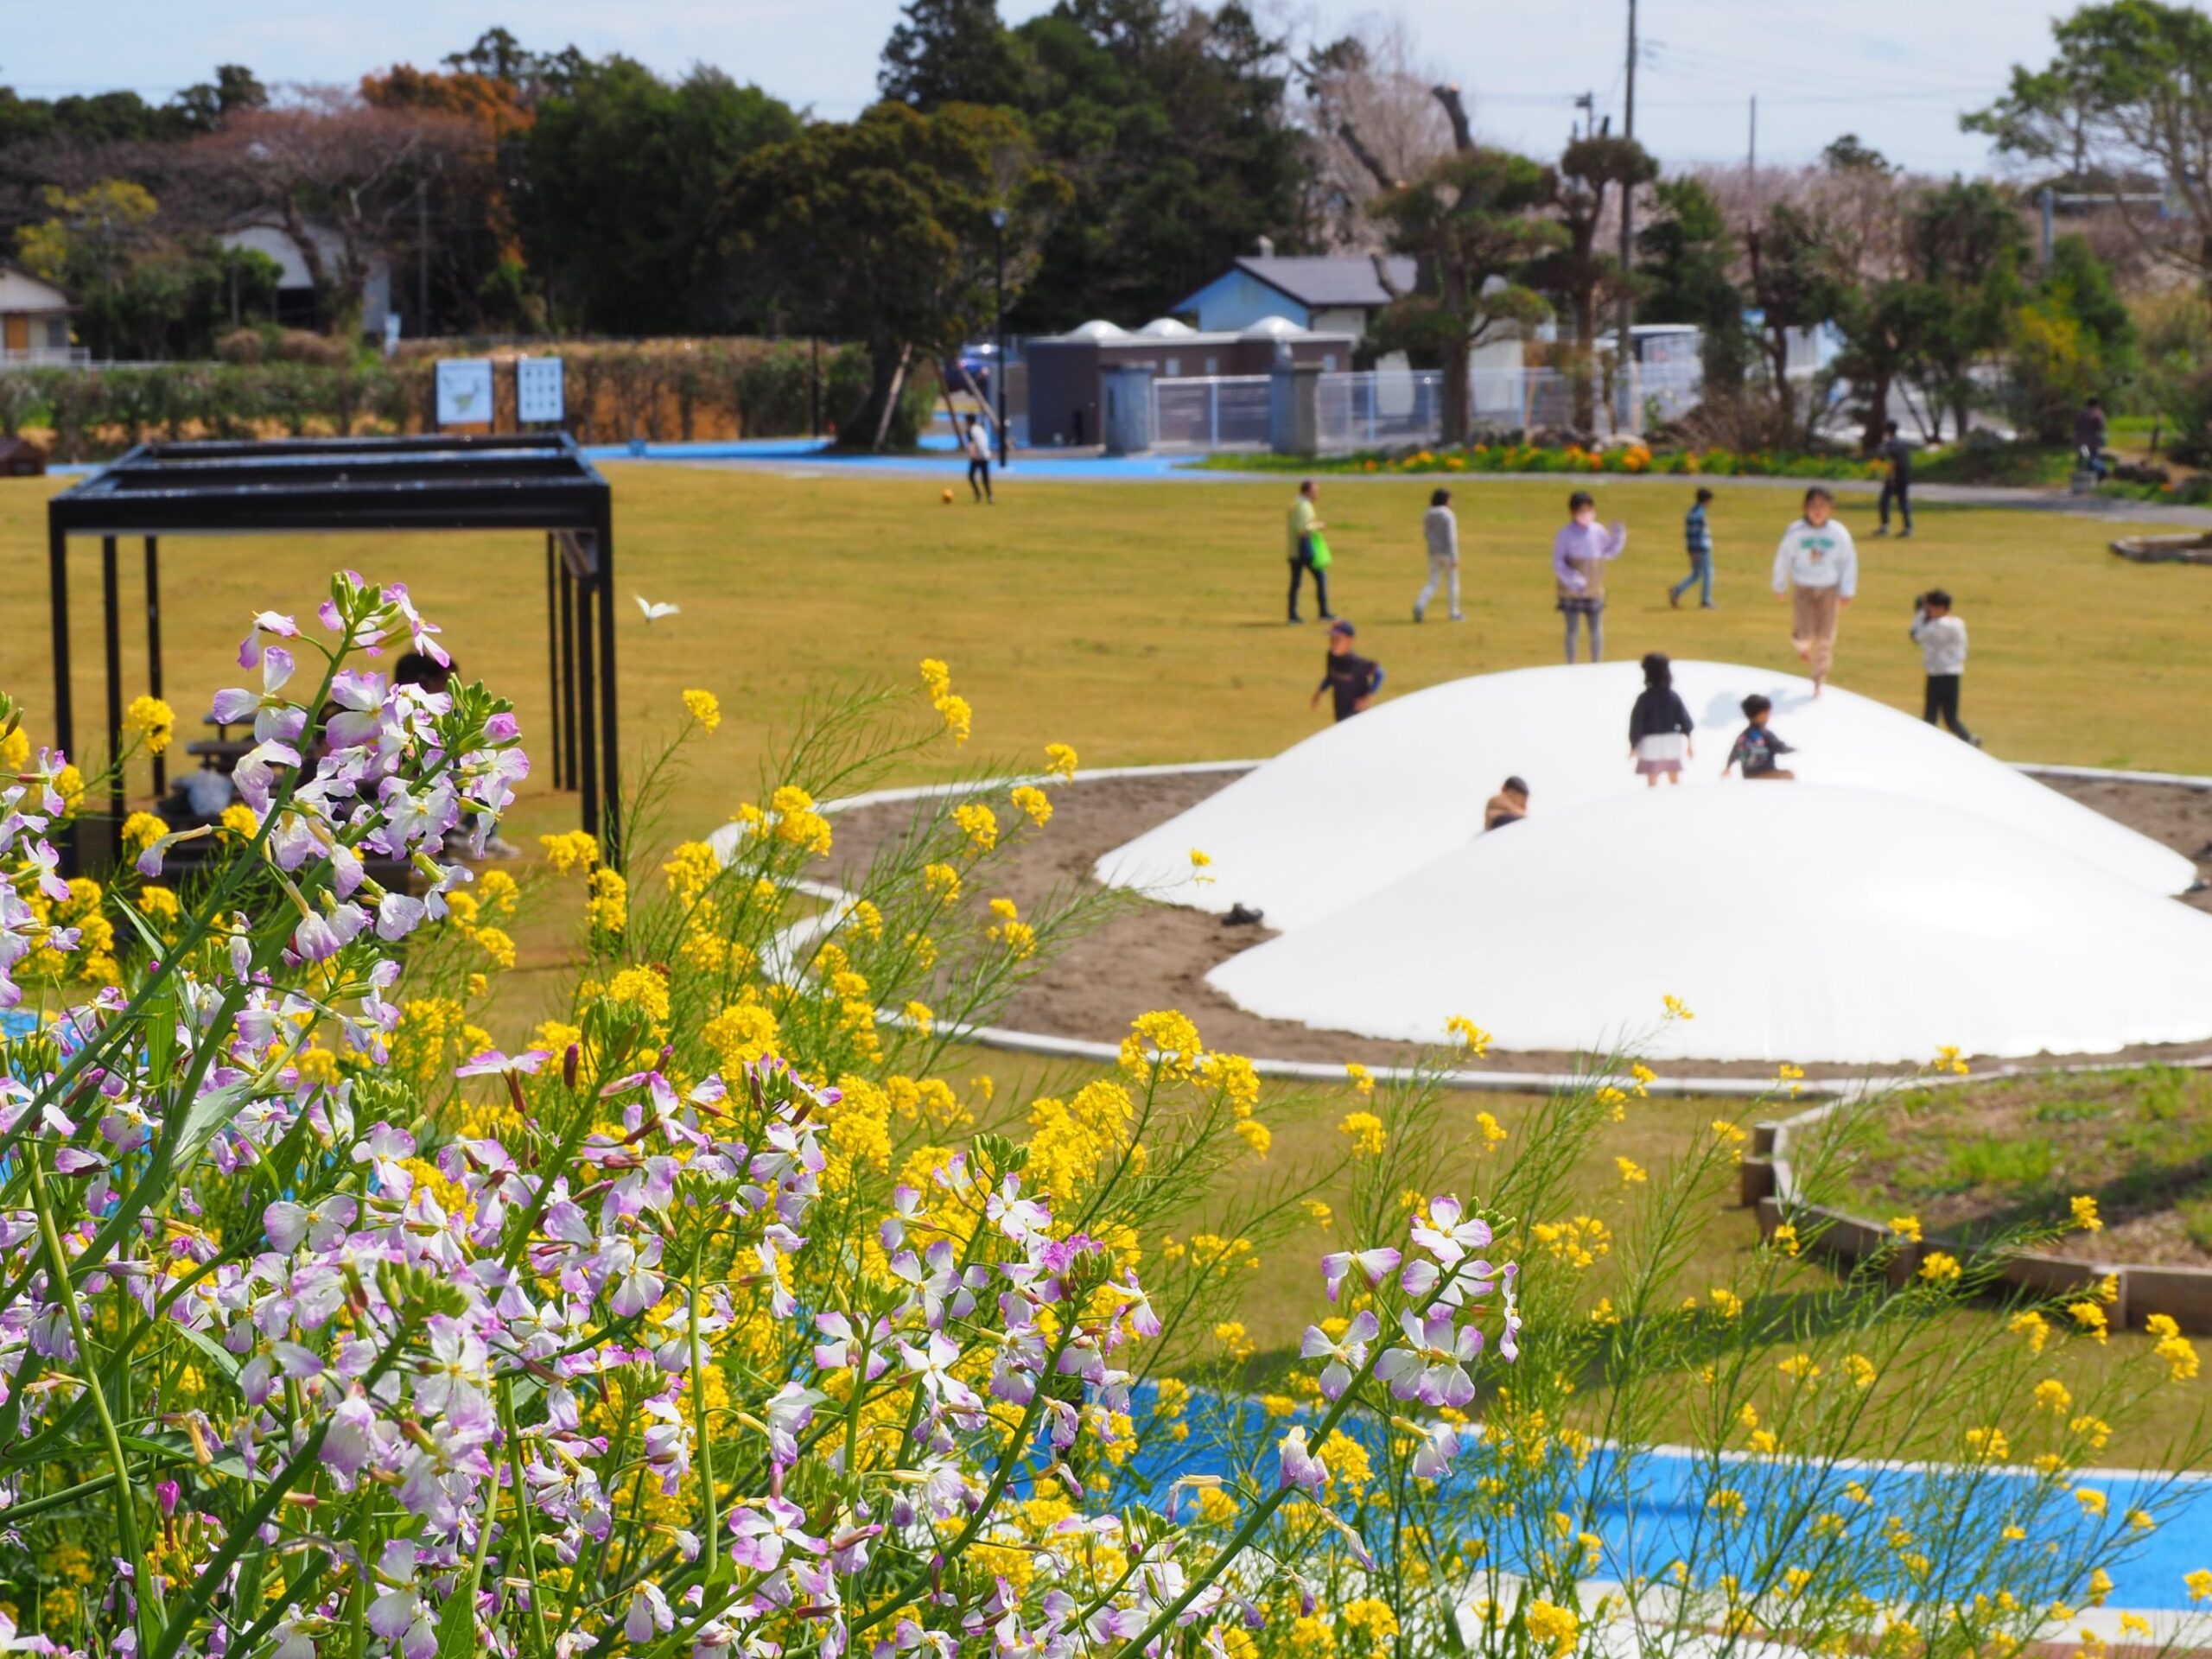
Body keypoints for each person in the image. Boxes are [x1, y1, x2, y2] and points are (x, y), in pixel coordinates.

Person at [1770, 486, 1858, 696]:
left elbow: (1849, 561)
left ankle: (1819, 678)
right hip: (1804, 587)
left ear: (1830, 508)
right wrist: (1779, 585)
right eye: (1813, 506)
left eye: (1822, 506)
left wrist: (1847, 590)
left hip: (1829, 588)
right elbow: (1783, 559)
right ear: (1805, 507)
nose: (1817, 510)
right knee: (1806, 633)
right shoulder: (1796, 531)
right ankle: (1802, 646)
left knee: (1826, 636)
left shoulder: (1838, 533)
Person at [1553, 490, 1626, 663]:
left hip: (1594, 588)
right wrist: (1574, 579)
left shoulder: (1598, 530)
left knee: (1596, 630)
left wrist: (1618, 537)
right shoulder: (1565, 534)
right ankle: (1571, 663)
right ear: (1572, 512)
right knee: (1573, 630)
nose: (1586, 514)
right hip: (1572, 591)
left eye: (1589, 509)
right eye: (1581, 510)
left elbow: (1609, 552)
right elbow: (1558, 562)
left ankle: (1596, 663)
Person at [1910, 588, 1978, 746]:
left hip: (1938, 676)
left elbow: (1916, 635)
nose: (1928, 611)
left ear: (1940, 608)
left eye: (1930, 608)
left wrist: (1919, 614)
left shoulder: (1939, 626)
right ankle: (1969, 740)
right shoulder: (1957, 623)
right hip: (1953, 674)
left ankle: (1930, 746)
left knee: (1930, 718)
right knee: (1951, 718)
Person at [1627, 652, 1695, 787]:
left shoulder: (1644, 698)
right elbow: (1685, 720)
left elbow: (1637, 723)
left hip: (1650, 743)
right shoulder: (1673, 696)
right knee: (1674, 779)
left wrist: (1633, 745)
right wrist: (1689, 742)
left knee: (1652, 781)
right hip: (1672, 741)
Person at [1311, 620, 1382, 721]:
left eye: (1337, 639)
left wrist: (1368, 697)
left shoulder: (1356, 663)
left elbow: (1380, 674)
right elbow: (1331, 676)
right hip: (1340, 710)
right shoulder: (1331, 656)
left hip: (1357, 714)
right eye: (1331, 639)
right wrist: (1320, 691)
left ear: (1350, 640)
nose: (1333, 643)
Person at [1287, 480, 1333, 623]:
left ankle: (1293, 615)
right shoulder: (1303, 506)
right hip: (1303, 551)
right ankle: (1323, 613)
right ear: (1307, 492)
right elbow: (1303, 529)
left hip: (1294, 550)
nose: (1317, 495)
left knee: (1296, 583)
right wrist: (1319, 525)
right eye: (1315, 492)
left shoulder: (1297, 504)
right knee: (1320, 577)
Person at [1414, 487, 1462, 622]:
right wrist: (1455, 557)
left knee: (1433, 582)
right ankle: (1454, 612)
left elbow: (1426, 533)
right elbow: (1451, 538)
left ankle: (1420, 604)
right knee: (1452, 582)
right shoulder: (1448, 515)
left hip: (1433, 552)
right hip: (1447, 553)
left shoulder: (1428, 514)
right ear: (1446, 500)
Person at [1723, 694, 1796, 780]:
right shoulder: (1765, 734)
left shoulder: (1743, 735)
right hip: (1767, 775)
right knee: (1789, 775)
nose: (1769, 716)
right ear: (1761, 714)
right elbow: (1779, 747)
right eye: (1767, 712)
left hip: (1748, 776)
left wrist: (1728, 767)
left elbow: (1734, 752)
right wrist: (1790, 749)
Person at [1670, 487, 1716, 609]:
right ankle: (1705, 601)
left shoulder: (1692, 511)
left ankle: (1677, 590)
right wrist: (1693, 550)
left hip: (1696, 548)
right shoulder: (1699, 514)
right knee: (1708, 573)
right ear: (1706, 500)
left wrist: (1690, 549)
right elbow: (1694, 533)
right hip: (1701, 548)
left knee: (1696, 574)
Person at [1876, 421, 1913, 538]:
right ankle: (1908, 527)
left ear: (1887, 431)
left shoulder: (1890, 443)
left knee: (1884, 502)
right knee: (1903, 503)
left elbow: (1884, 456)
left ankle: (1885, 526)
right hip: (1904, 476)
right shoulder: (1902, 443)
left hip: (1894, 477)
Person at [2075, 397, 2108, 481]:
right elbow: (2102, 427)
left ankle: (2083, 477)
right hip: (2094, 441)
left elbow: (2077, 426)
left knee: (2085, 457)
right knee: (2094, 457)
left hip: (2083, 441)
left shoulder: (2082, 413)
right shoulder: (2098, 413)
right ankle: (2098, 475)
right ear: (2097, 404)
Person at [963, 414, 995, 504]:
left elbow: (972, 443)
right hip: (986, 455)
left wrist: (973, 455)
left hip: (978, 456)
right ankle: (990, 496)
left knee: (971, 476)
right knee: (985, 478)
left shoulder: (970, 430)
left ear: (969, 421)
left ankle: (978, 495)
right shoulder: (980, 428)